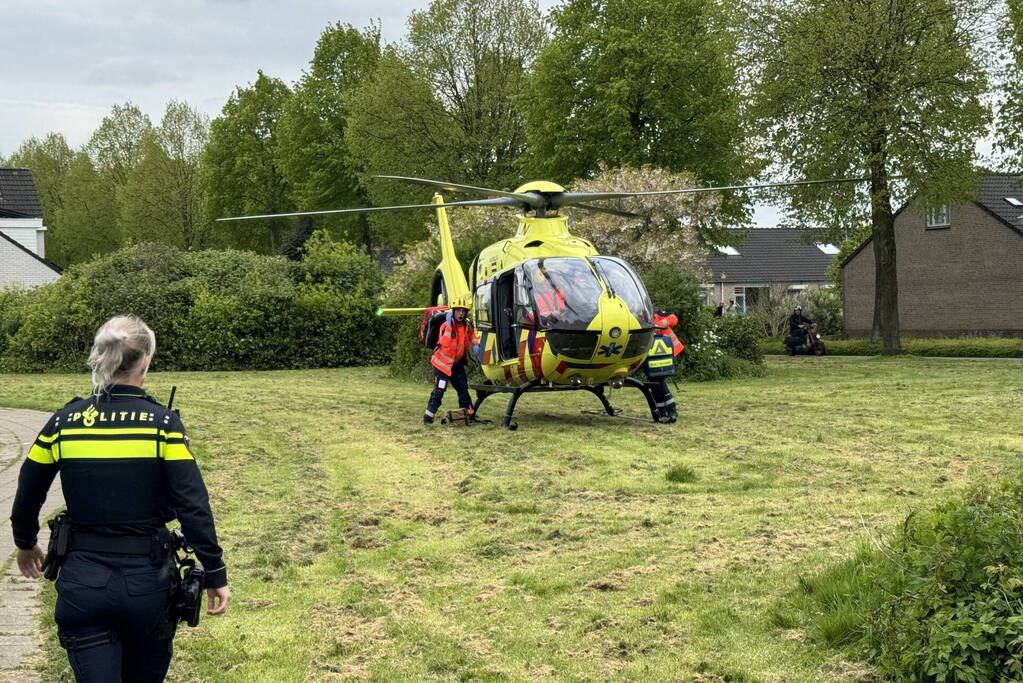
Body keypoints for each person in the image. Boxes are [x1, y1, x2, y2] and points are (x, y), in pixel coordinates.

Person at [10, 315, 229, 682]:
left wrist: (25, 543)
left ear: (99, 357)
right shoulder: (162, 425)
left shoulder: (64, 422)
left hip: (82, 586)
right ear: (145, 361)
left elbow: (28, 489)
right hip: (148, 587)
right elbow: (193, 505)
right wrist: (215, 573)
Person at [424, 297, 479, 424]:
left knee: (463, 389)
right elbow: (446, 343)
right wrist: (449, 326)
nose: (461, 314)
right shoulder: (446, 326)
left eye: (463, 311)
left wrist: (476, 345)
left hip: (456, 364)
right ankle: (428, 416)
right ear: (453, 311)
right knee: (439, 390)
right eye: (458, 311)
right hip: (442, 365)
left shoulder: (466, 325)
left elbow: (472, 336)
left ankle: (468, 415)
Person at [643, 310, 685, 423]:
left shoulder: (658, 314)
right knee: (654, 384)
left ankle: (670, 410)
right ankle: (662, 410)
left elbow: (674, 318)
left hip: (669, 355)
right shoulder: (640, 319)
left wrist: (658, 325)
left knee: (659, 382)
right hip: (652, 358)